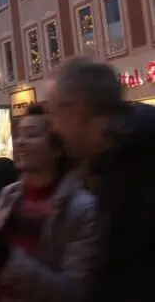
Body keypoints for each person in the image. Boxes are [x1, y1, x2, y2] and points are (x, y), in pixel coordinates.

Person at [0, 104, 99, 302]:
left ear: (57, 147)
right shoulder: (9, 196)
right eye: (19, 135)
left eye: (32, 135)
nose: (20, 143)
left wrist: (8, 260)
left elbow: (73, 291)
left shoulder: (81, 207)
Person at [46, 57, 155, 302]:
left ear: (77, 112)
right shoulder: (112, 163)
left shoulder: (138, 169)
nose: (53, 128)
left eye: (55, 113)